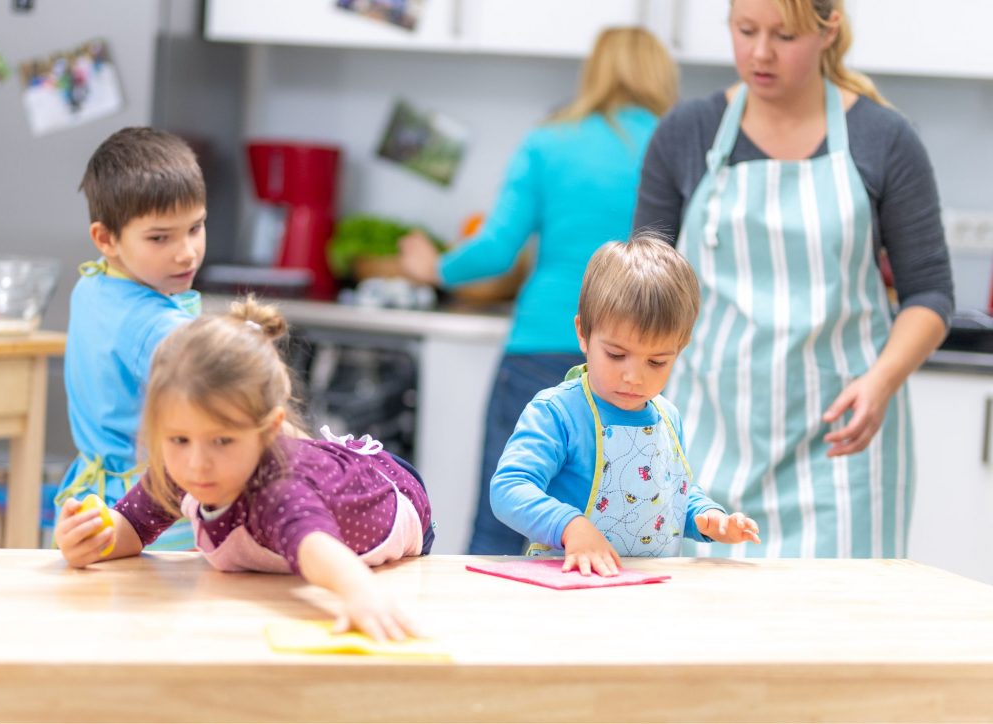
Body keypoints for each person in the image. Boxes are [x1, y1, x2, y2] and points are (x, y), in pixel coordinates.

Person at [632, 0, 954, 559]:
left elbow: (930, 293)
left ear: (829, 29)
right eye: (745, 30)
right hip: (703, 441)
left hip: (841, 452)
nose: (760, 53)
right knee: (703, 632)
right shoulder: (687, 133)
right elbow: (646, 286)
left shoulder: (885, 139)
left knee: (835, 636)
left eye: (784, 35)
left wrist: (880, 382)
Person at [399, 27, 680, 554]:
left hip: (539, 346)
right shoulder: (673, 147)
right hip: (639, 355)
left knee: (507, 517)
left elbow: (496, 248)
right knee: (622, 515)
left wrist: (434, 268)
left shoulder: (550, 141)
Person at [55, 298, 434, 641]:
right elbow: (132, 527)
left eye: (222, 441)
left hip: (390, 494)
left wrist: (361, 595)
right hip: (321, 475)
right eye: (178, 440)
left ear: (268, 431)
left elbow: (318, 548)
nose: (197, 463)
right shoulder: (181, 464)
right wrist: (93, 539)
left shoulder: (278, 490)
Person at [490, 235, 760, 576]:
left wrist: (708, 518)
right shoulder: (557, 413)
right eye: (616, 355)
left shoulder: (667, 416)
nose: (634, 377)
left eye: (657, 361)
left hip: (649, 588)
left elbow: (668, 493)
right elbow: (508, 488)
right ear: (583, 334)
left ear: (681, 348)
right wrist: (571, 526)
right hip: (573, 587)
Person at [53, 127, 208, 550]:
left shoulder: (93, 284)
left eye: (195, 228)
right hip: (156, 517)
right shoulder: (155, 327)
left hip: (90, 498)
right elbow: (221, 390)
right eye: (160, 237)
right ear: (106, 239)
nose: (186, 252)